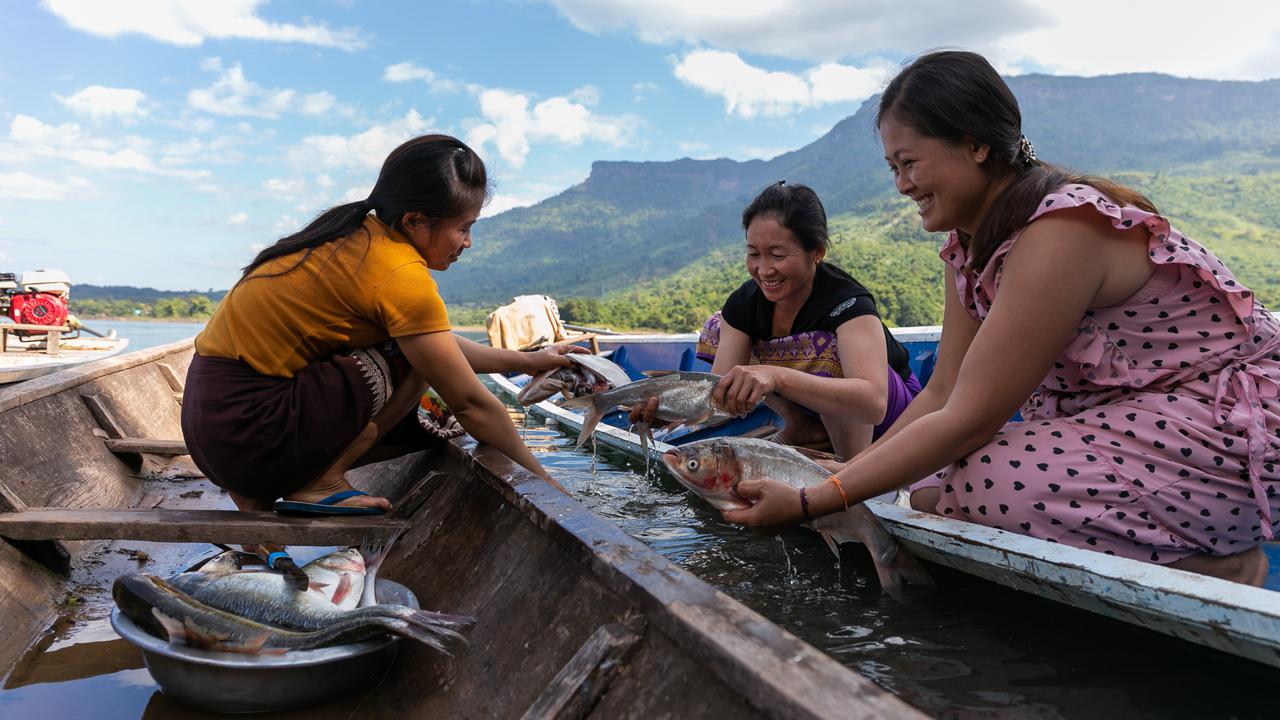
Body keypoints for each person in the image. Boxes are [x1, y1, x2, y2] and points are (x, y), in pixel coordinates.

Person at [721, 50, 1279, 585]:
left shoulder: (1061, 231)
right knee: (927, 486)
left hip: (1224, 424)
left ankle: (1223, 569)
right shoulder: (968, 249)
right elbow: (942, 392)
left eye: (910, 163)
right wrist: (851, 479)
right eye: (893, 167)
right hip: (1138, 423)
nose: (902, 185)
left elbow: (969, 418)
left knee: (988, 483)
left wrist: (813, 500)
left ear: (976, 145)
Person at [182, 134, 573, 518]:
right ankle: (324, 481)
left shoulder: (355, 236)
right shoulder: (398, 273)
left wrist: (529, 362)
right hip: (248, 435)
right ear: (415, 221)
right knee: (418, 366)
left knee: (421, 368)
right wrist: (550, 490)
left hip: (214, 432)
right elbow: (472, 404)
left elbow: (438, 344)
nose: (467, 242)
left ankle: (266, 490)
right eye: (463, 228)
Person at [675, 182, 920, 460]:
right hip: (821, 412)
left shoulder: (848, 303)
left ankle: (852, 464)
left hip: (894, 420)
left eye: (778, 255)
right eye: (753, 254)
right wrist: (662, 409)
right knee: (719, 326)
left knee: (825, 348)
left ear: (817, 252)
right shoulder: (744, 304)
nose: (764, 270)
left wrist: (776, 376)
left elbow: (873, 403)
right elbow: (719, 396)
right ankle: (803, 427)